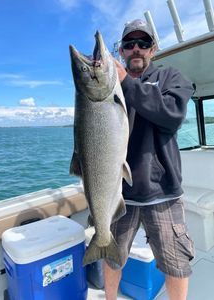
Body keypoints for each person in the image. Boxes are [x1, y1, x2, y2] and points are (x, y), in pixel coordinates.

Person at [104, 19, 195, 300]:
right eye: (129, 44)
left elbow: (171, 114)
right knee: (111, 258)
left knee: (175, 265)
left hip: (163, 194)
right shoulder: (110, 85)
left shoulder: (171, 78)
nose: (136, 49)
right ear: (121, 51)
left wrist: (125, 83)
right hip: (120, 195)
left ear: (153, 50)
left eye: (143, 44)